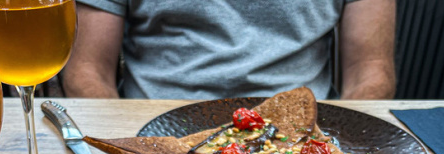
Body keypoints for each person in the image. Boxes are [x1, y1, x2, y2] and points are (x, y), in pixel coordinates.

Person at [62, 0, 396, 100]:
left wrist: (331, 145)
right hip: (154, 127)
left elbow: (371, 71)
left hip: (300, 136)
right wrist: (130, 146)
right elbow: (86, 71)